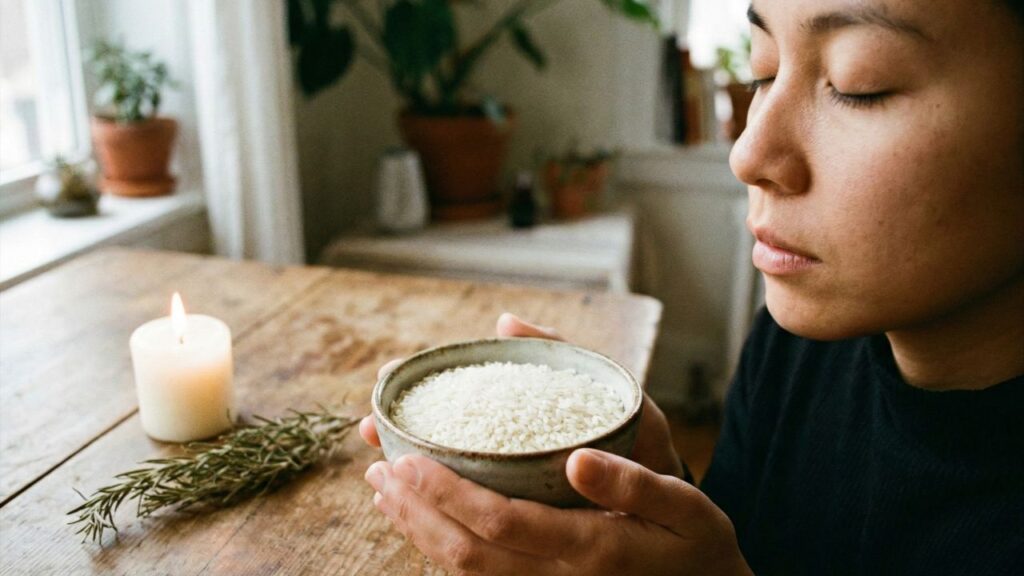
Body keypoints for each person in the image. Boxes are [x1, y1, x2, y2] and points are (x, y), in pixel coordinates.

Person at [358, 0, 1024, 573]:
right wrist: (660, 501)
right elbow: (751, 547)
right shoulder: (806, 344)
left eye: (859, 84)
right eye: (763, 69)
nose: (748, 153)